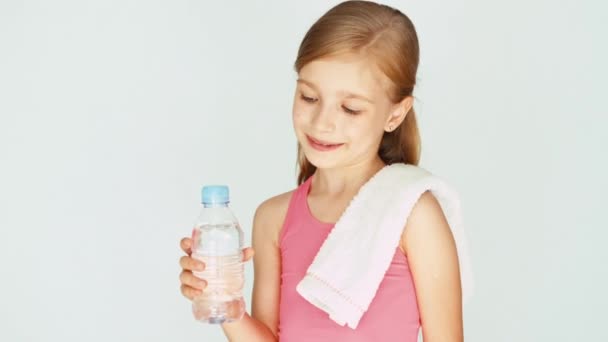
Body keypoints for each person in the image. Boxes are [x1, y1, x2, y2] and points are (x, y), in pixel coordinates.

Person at [179, 1, 463, 341]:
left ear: (395, 114)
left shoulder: (413, 214)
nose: (322, 123)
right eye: (309, 97)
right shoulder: (273, 218)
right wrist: (225, 302)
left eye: (350, 108)